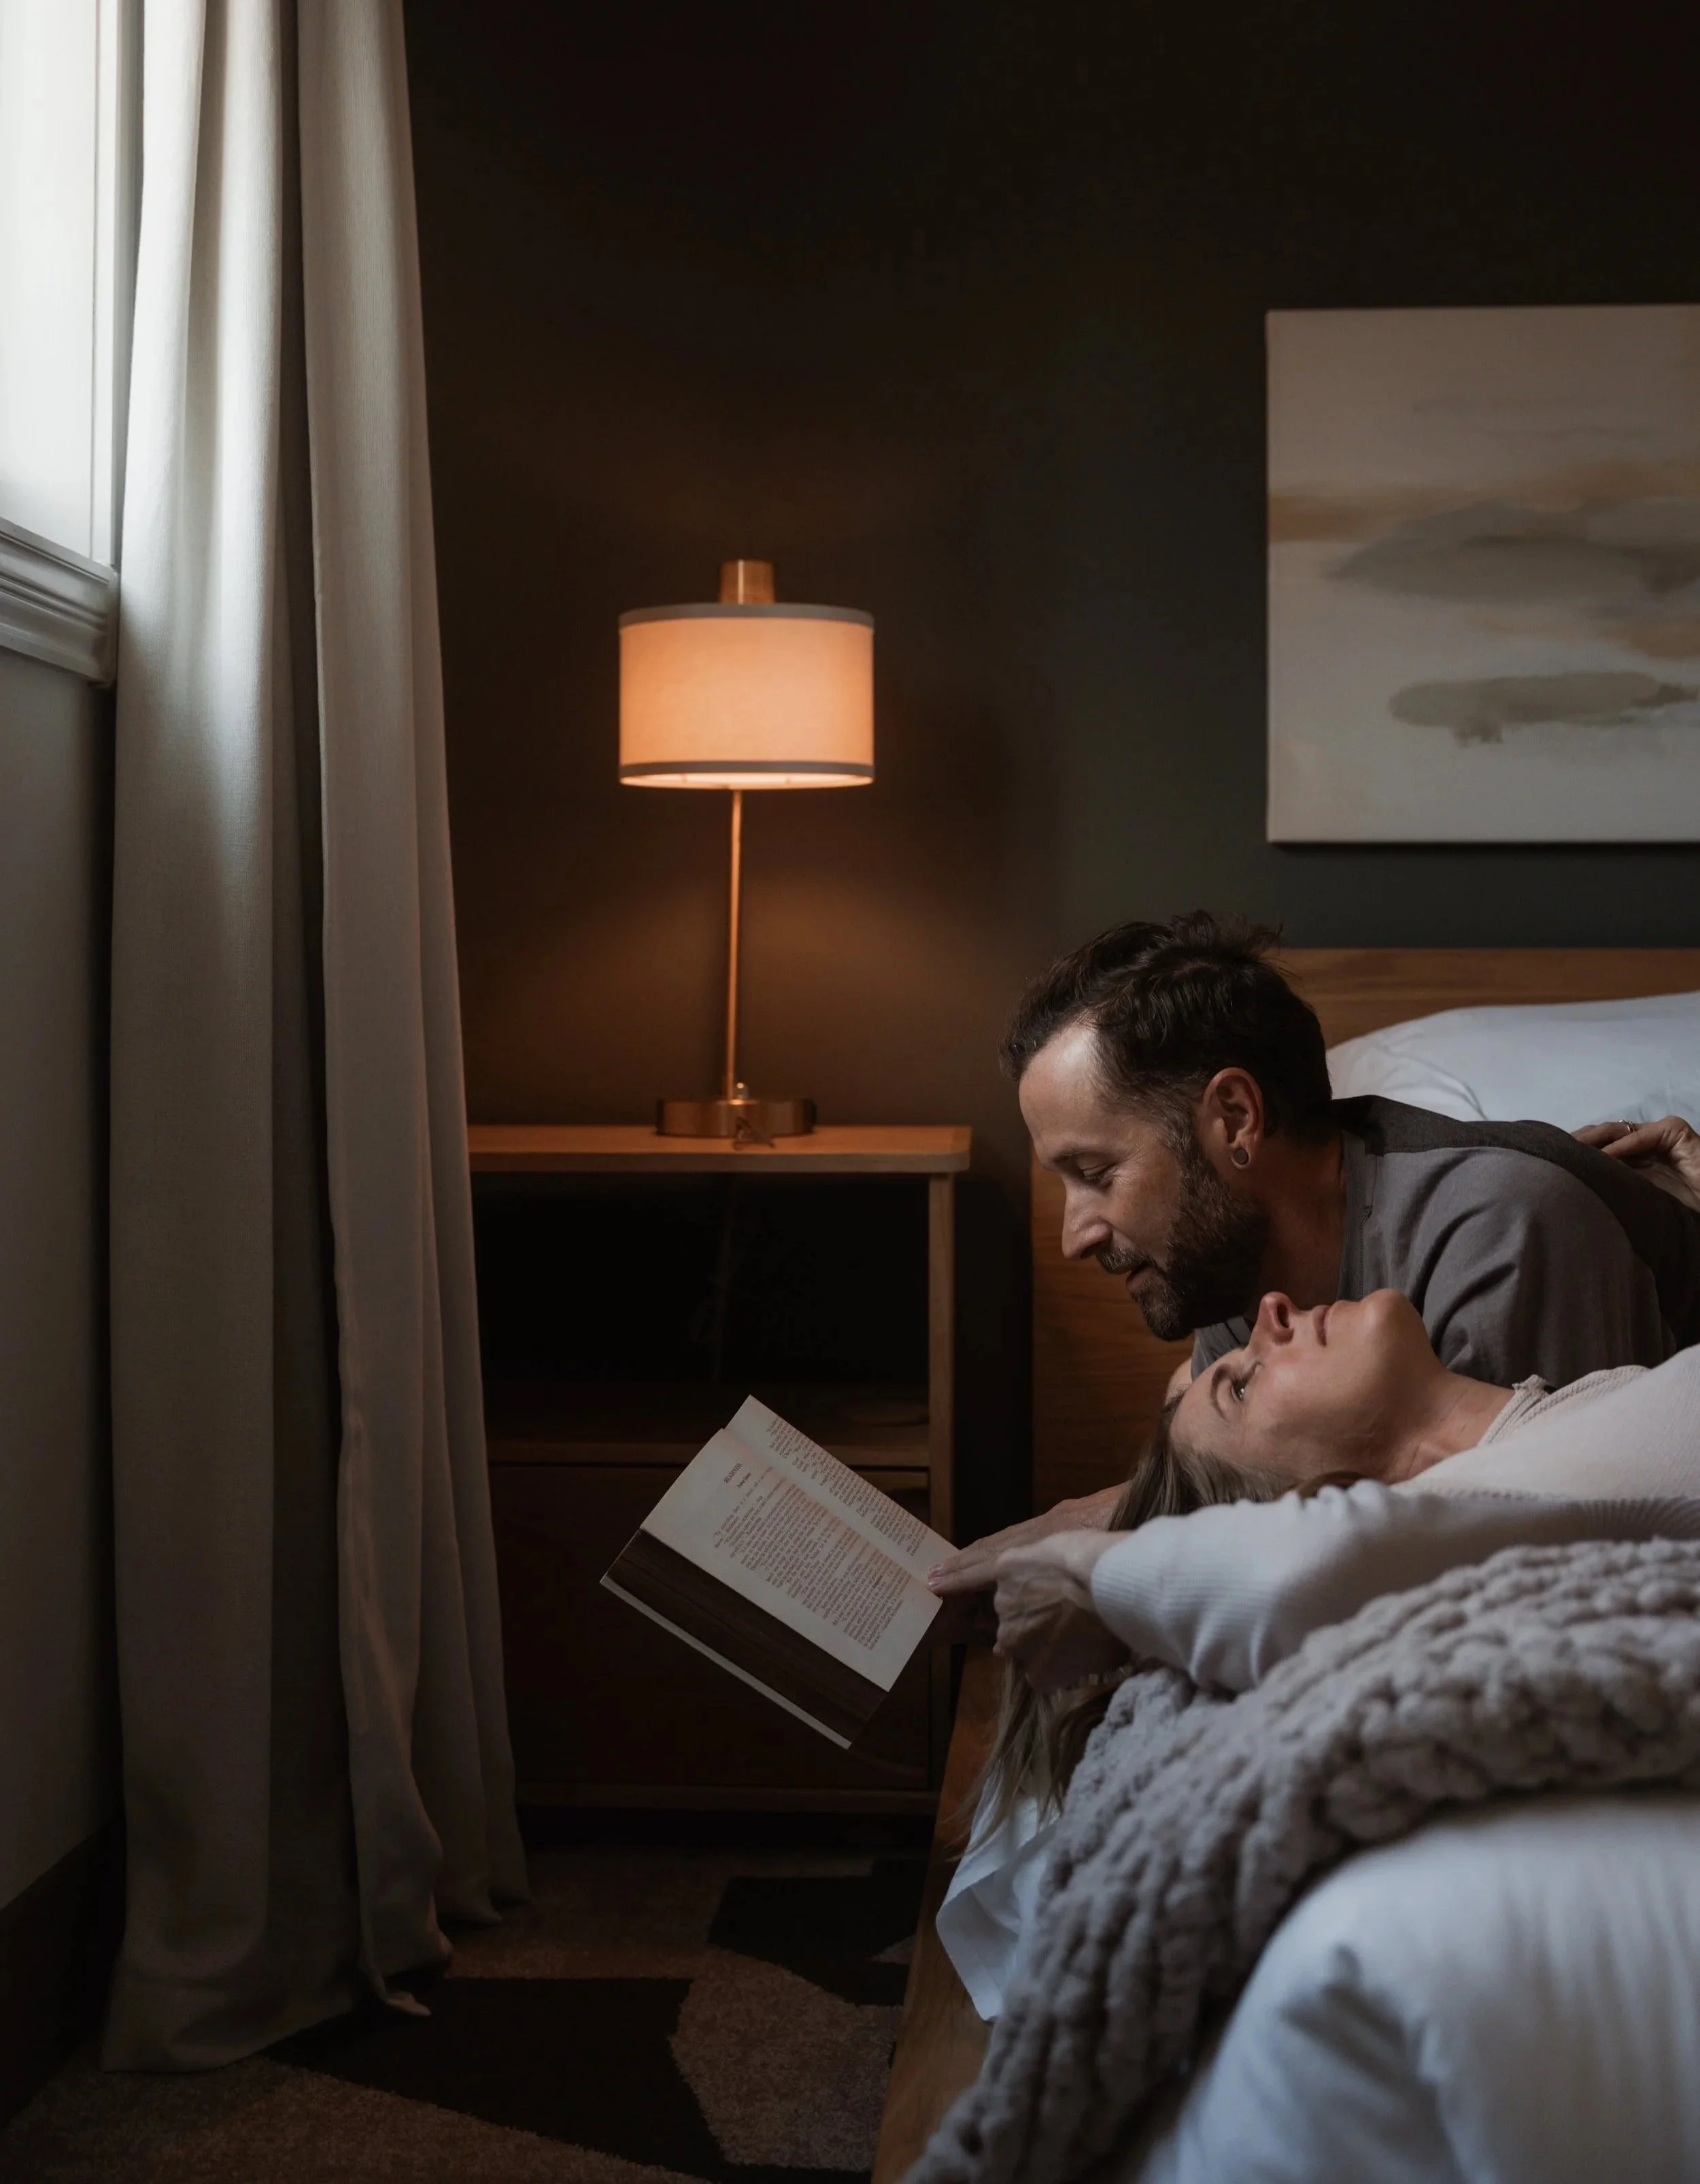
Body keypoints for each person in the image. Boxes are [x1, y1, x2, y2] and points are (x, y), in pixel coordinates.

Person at [940, 1281, 1700, 2019]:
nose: (1269, 1310)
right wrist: (1096, 1582)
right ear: (1307, 1499)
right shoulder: (1501, 1504)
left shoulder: (1571, 1425)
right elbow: (1292, 1576)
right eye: (1239, 1390)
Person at [930, 915, 1700, 1621]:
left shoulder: (1504, 1226)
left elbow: (1518, 1589)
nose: (1074, 1234)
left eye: (1096, 1172)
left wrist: (1107, 1525)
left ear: (1234, 1118)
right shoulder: (1229, 1257)